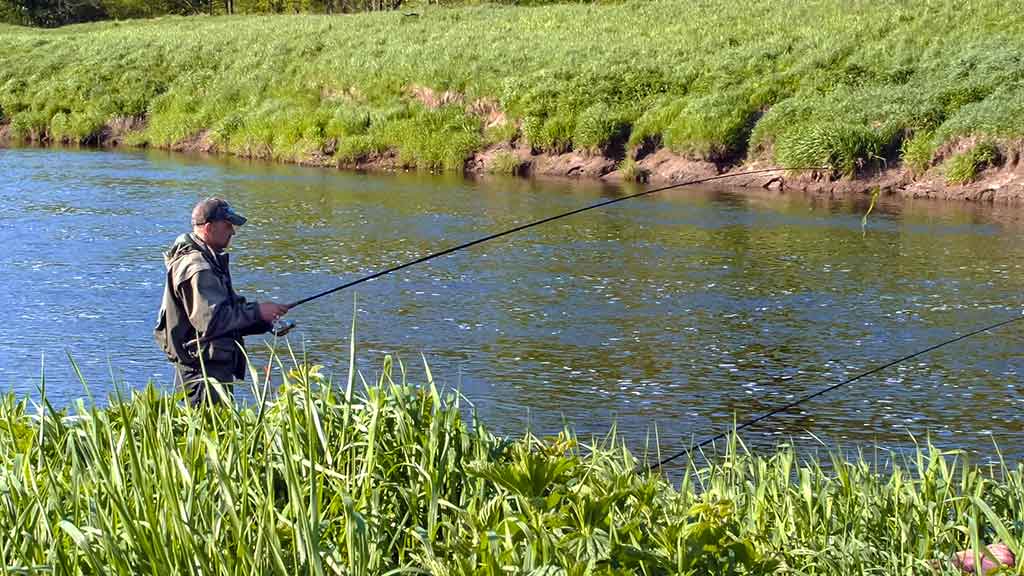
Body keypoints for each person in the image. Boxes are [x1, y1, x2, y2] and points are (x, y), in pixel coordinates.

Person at [154, 197, 290, 406]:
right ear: (208, 228)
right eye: (228, 226)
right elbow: (212, 321)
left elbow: (228, 312)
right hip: (202, 376)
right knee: (208, 432)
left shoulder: (207, 260)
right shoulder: (197, 267)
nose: (232, 232)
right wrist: (258, 312)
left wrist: (264, 321)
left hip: (210, 370)